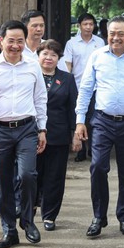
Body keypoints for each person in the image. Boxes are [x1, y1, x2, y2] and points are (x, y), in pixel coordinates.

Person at [75, 16, 124, 238]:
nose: (116, 38)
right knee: (98, 167)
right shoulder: (97, 56)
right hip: (102, 121)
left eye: (121, 34)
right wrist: (80, 120)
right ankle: (98, 217)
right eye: (112, 33)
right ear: (107, 34)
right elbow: (85, 89)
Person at [0, 20, 47, 248]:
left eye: (20, 41)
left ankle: (27, 220)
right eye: (10, 41)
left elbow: (40, 99)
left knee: (27, 175)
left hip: (27, 128)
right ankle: (9, 230)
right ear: (1, 41)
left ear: (25, 42)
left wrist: (42, 128)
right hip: (0, 130)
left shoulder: (33, 65)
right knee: (4, 183)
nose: (15, 46)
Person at [35, 40, 80, 231]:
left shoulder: (67, 79)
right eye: (45, 53)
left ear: (59, 58)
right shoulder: (30, 75)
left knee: (55, 176)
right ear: (38, 56)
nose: (48, 58)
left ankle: (50, 215)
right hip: (31, 134)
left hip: (58, 135)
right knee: (30, 174)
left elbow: (73, 108)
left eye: (53, 55)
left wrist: (76, 133)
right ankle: (29, 209)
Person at [64, 12, 104, 162]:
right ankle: (80, 150)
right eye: (85, 24)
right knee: (78, 119)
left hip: (96, 87)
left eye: (91, 24)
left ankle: (93, 150)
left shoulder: (99, 42)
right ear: (79, 26)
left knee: (94, 119)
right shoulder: (71, 43)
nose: (88, 27)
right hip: (77, 86)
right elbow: (68, 64)